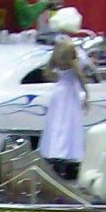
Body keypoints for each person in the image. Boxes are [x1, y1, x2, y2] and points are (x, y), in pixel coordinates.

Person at [39, 35, 91, 179]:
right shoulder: (72, 62)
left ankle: (53, 152)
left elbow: (47, 74)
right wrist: (87, 94)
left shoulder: (55, 59)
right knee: (69, 124)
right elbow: (80, 77)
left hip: (58, 92)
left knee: (56, 124)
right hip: (70, 93)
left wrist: (58, 77)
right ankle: (66, 154)